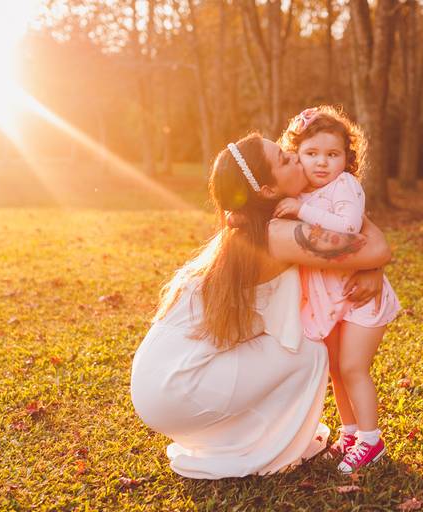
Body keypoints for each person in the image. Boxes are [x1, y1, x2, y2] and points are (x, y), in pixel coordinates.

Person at [130, 132, 392, 479]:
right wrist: (363, 244)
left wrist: (366, 260)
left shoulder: (249, 229)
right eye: (284, 159)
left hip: (156, 378)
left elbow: (359, 249)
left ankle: (246, 438)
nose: (297, 157)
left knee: (286, 344)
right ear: (268, 191)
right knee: (309, 349)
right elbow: (377, 248)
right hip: (177, 384)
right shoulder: (279, 235)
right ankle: (269, 448)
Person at [274, 106, 401, 473]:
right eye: (311, 153)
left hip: (361, 300)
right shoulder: (300, 191)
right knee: (336, 370)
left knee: (353, 367)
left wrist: (301, 210)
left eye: (333, 155)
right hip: (329, 300)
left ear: (347, 158)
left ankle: (371, 440)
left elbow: (347, 228)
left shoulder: (345, 186)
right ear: (296, 154)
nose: (322, 163)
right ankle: (349, 433)